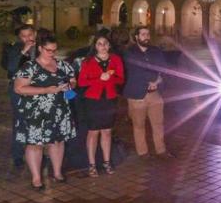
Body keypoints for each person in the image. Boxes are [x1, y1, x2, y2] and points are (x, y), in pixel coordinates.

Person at [13, 34, 76, 190]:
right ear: (40, 48)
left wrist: (70, 86)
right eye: (48, 50)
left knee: (58, 141)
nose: (52, 53)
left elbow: (73, 80)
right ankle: (36, 178)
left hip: (59, 110)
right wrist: (45, 90)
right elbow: (19, 88)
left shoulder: (63, 65)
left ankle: (57, 172)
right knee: (35, 144)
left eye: (54, 50)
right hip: (36, 112)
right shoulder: (30, 67)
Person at [78, 33, 124, 176]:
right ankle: (92, 165)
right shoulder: (88, 61)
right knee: (93, 132)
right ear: (95, 46)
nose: (103, 46)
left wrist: (110, 78)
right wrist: (99, 78)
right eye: (99, 43)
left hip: (109, 99)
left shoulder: (116, 59)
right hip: (93, 100)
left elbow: (121, 79)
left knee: (107, 131)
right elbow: (81, 82)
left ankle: (106, 162)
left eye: (105, 43)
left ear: (109, 45)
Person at [123, 26, 171, 158]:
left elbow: (163, 67)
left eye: (148, 34)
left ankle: (161, 150)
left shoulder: (155, 51)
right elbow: (137, 69)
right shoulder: (130, 52)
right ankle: (143, 152)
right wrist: (154, 78)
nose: (146, 37)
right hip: (137, 94)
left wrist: (158, 80)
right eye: (143, 34)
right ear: (136, 37)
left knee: (158, 124)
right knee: (139, 125)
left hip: (155, 93)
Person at [1, 24, 37, 171]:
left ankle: (36, 152)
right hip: (18, 89)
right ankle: (18, 155)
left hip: (37, 89)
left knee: (37, 121)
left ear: (34, 34)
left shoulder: (40, 47)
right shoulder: (14, 48)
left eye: (30, 35)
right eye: (24, 36)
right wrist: (23, 51)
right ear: (19, 37)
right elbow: (11, 68)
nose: (28, 38)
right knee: (20, 121)